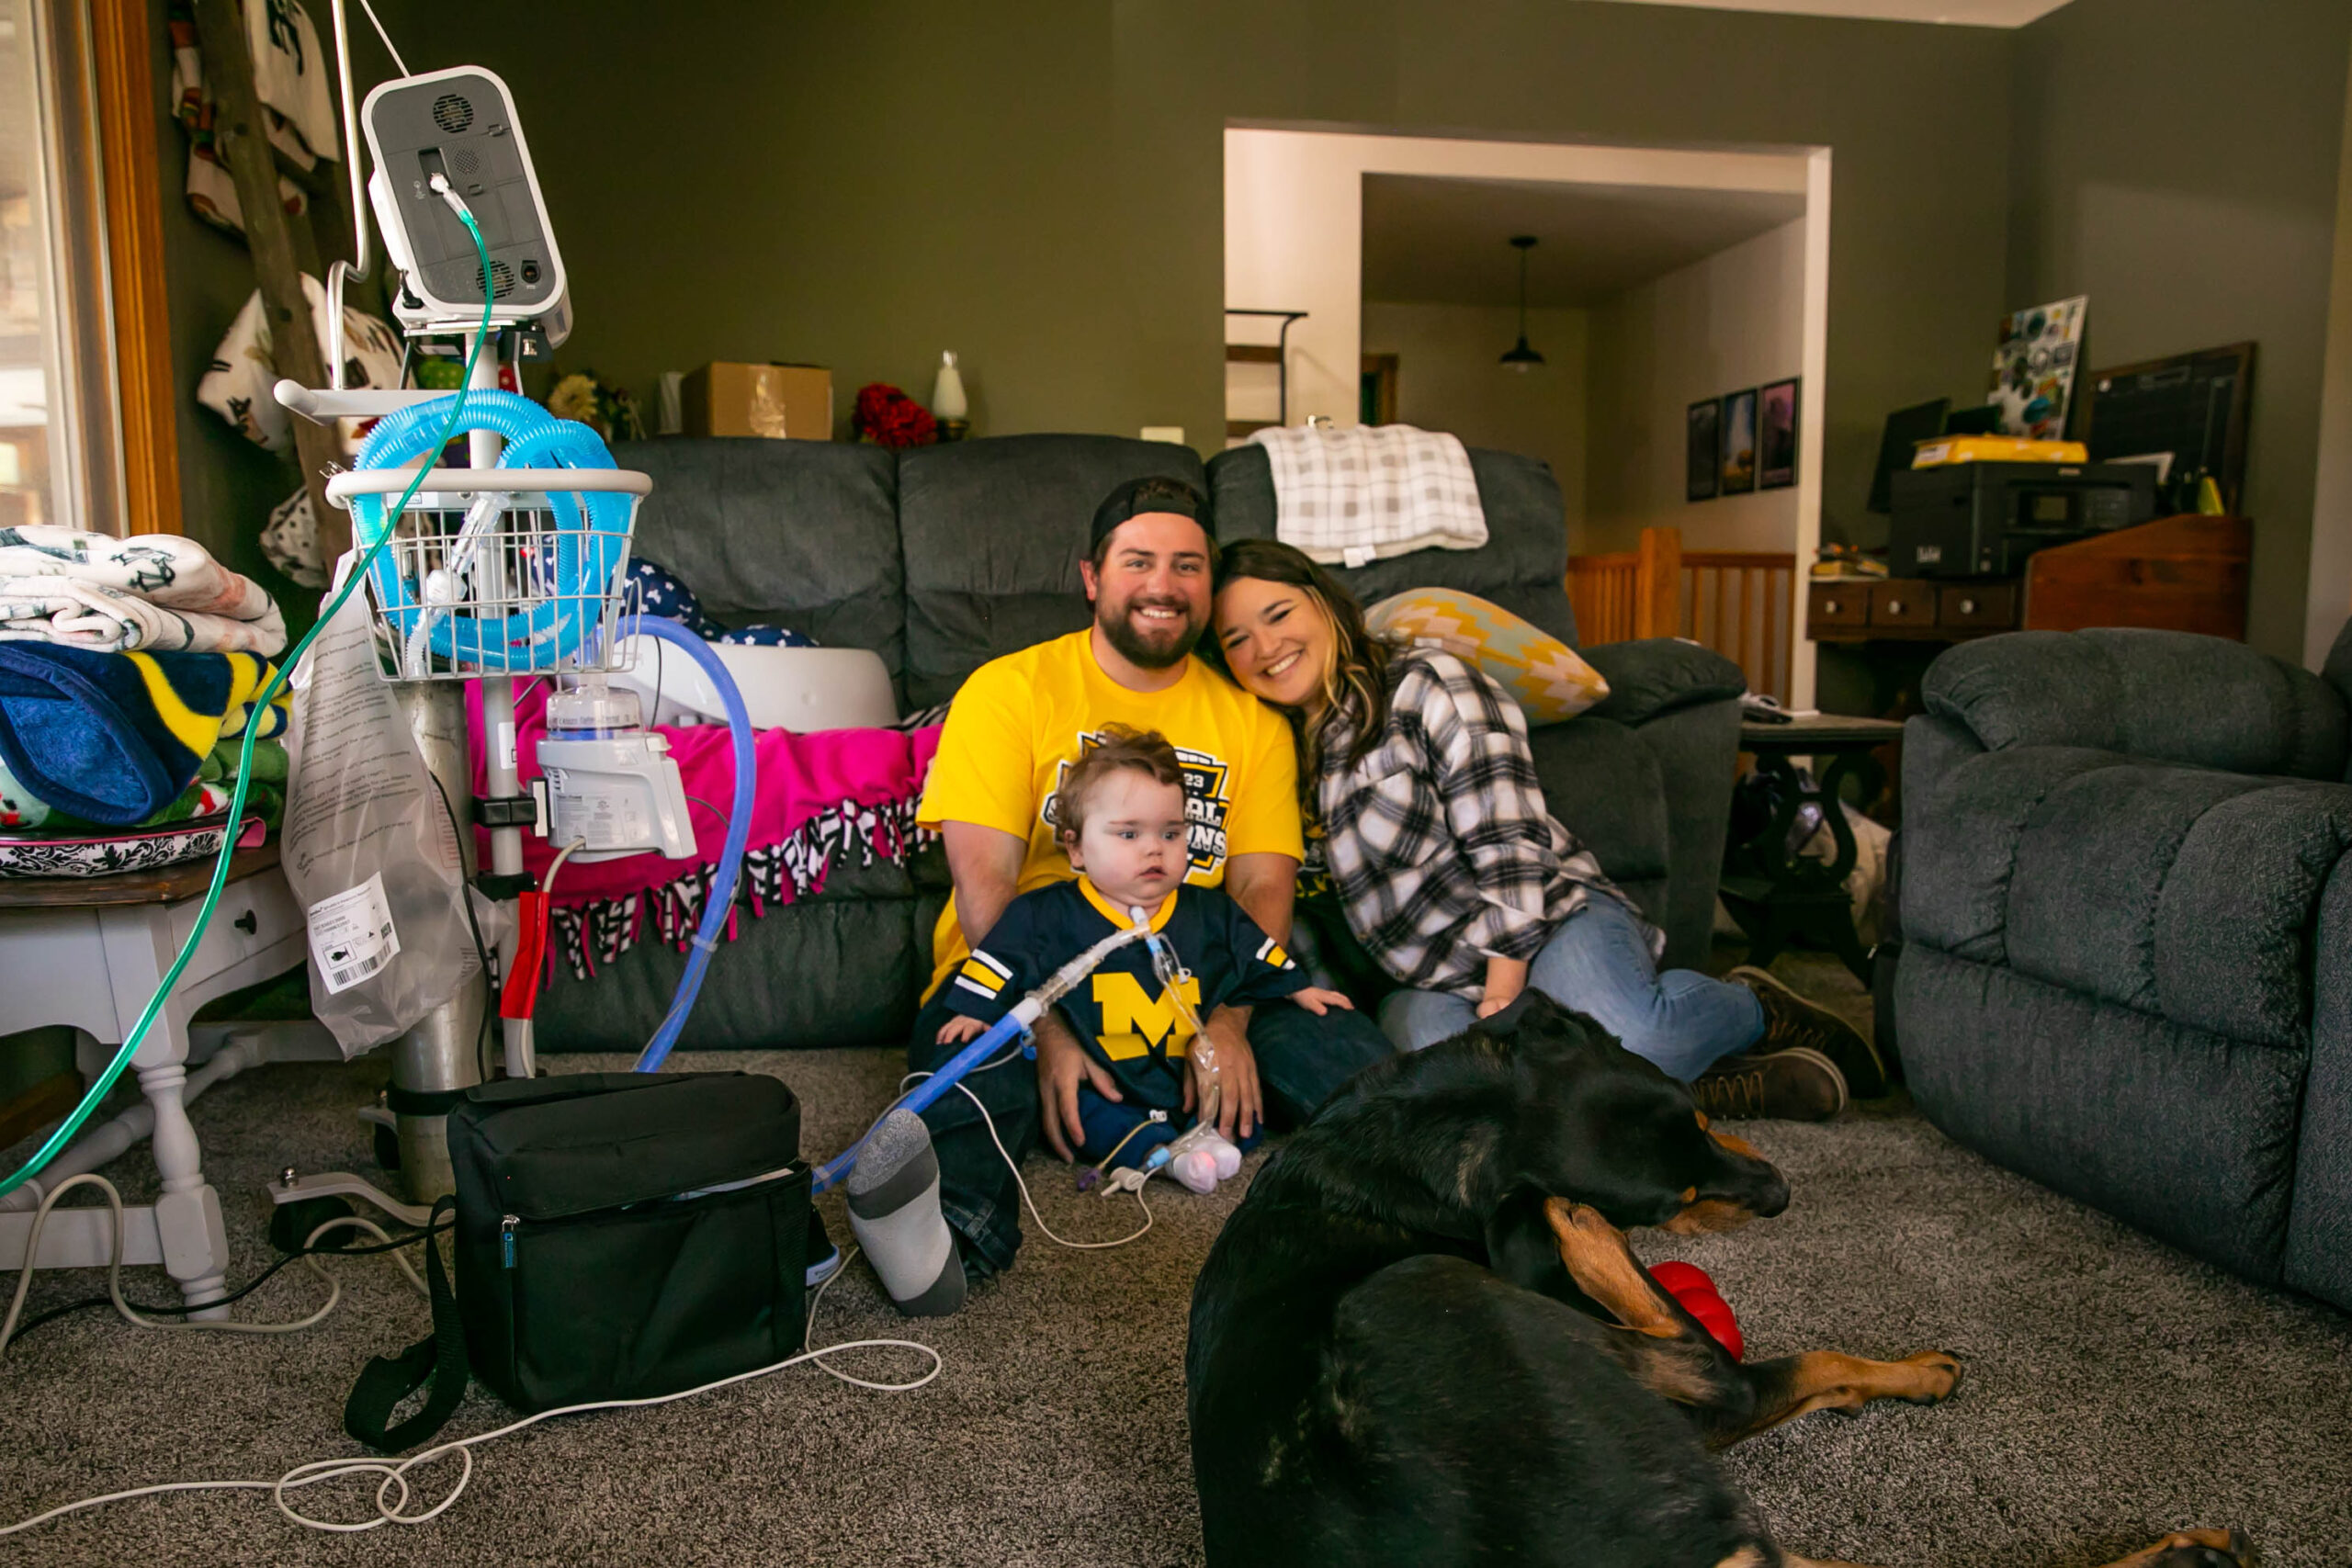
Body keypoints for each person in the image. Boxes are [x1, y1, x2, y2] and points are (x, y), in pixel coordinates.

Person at [855, 477, 1397, 1308]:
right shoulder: (1010, 689)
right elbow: (986, 879)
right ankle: (944, 1239)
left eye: (1188, 565)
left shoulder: (1251, 721)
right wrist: (1051, 1025)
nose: (1163, 583)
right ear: (1092, 577)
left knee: (1340, 1041)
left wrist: (1228, 1018)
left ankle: (1457, 1193)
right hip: (1030, 979)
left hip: (1198, 976)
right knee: (969, 1056)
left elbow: (1260, 882)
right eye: (1138, 560)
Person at [1204, 538, 1886, 1122]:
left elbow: (1509, 843)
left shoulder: (1424, 683)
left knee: (1634, 1036)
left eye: (1279, 614)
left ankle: (1754, 1007)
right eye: (1237, 638)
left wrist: (1505, 989)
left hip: (1546, 921)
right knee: (1473, 1100)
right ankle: (1695, 1087)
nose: (1266, 647)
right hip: (1431, 980)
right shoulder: (1271, 749)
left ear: (1322, 601)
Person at [934, 726, 1352, 1193]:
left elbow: (1254, 949)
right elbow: (999, 960)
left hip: (1175, 1068)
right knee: (1093, 1117)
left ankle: (1207, 1140)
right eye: (1129, 833)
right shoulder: (1046, 914)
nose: (1154, 848)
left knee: (1233, 1107)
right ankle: (1167, 1159)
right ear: (1075, 847)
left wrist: (1297, 985)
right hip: (1103, 1070)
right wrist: (974, 1012)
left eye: (1171, 833)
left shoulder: (1206, 910)